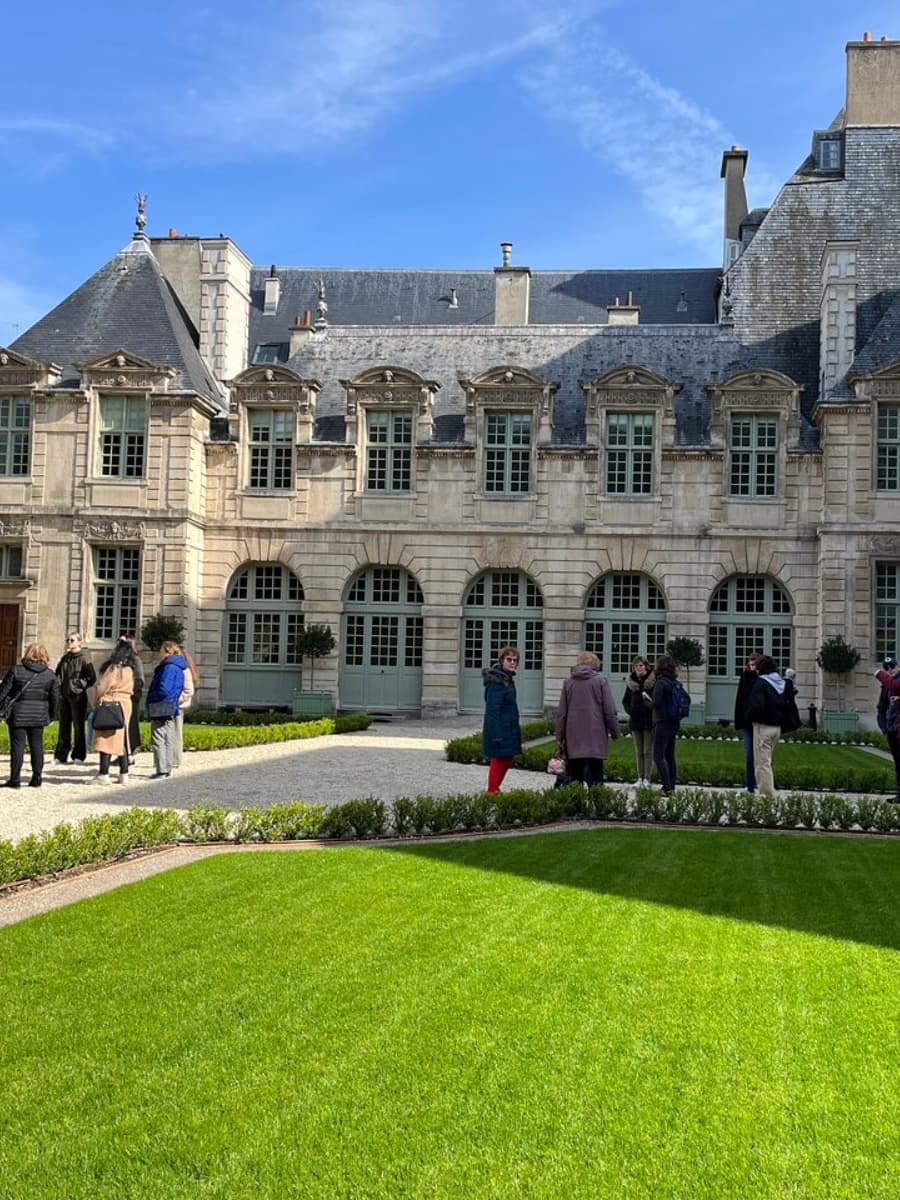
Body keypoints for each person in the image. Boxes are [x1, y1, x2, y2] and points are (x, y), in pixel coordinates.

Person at [556, 651, 621, 785]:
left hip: (573, 736)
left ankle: (576, 804)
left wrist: (559, 737)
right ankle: (598, 803)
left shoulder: (568, 683)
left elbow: (562, 713)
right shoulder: (600, 681)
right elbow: (609, 710)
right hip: (595, 735)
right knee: (596, 776)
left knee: (575, 776)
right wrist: (615, 732)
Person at [0, 643, 60, 788]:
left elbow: (3, 693)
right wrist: (52, 716)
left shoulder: (16, 671)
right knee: (37, 746)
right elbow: (55, 698)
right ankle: (37, 778)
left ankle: (15, 779)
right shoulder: (49, 674)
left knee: (17, 746)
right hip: (38, 714)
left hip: (18, 714)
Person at [745, 655, 794, 798]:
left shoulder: (761, 683)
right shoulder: (781, 682)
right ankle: (767, 791)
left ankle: (767, 795)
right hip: (777, 728)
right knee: (767, 761)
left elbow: (757, 706)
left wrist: (750, 718)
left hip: (763, 727)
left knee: (762, 763)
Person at [93, 641, 135, 785]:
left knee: (106, 737)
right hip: (125, 703)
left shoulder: (113, 668)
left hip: (110, 702)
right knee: (123, 737)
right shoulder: (129, 670)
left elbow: (102, 687)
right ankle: (124, 772)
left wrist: (96, 702)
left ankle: (103, 773)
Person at [482, 646, 522, 793]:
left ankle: (495, 788)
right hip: (500, 727)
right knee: (498, 759)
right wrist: (496, 733)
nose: (512, 662)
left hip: (509, 726)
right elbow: (492, 710)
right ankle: (492, 791)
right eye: (509, 659)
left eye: (515, 660)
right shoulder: (496, 682)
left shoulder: (508, 680)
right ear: (502, 660)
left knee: (507, 758)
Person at [53, 632, 96, 764]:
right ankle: (61, 755)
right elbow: (58, 673)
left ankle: (78, 755)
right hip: (64, 695)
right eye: (68, 640)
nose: (69, 642)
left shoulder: (84, 658)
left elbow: (91, 677)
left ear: (79, 642)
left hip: (77, 696)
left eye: (72, 640)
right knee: (63, 726)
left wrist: (79, 684)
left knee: (78, 727)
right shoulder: (66, 658)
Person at [146, 641, 188, 779]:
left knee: (158, 737)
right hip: (171, 705)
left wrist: (153, 697)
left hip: (162, 704)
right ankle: (167, 767)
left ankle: (162, 769)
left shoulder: (168, 667)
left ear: (168, 650)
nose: (160, 653)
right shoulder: (179, 666)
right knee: (169, 737)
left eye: (161, 650)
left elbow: (164, 688)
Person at [651, 654, 682, 794]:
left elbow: (656, 703)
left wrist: (648, 702)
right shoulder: (675, 682)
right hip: (674, 721)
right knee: (669, 755)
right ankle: (671, 786)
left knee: (658, 755)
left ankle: (666, 786)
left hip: (662, 720)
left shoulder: (660, 682)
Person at [623, 655, 655, 785]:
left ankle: (647, 777)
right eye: (636, 666)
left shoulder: (652, 681)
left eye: (641, 665)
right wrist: (631, 710)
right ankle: (640, 777)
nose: (638, 668)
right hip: (636, 720)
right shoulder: (631, 682)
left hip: (648, 720)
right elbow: (625, 700)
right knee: (638, 751)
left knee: (647, 751)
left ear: (645, 666)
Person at [733, 651, 762, 792]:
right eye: (751, 664)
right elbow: (740, 699)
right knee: (750, 754)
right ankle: (750, 784)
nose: (752, 666)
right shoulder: (745, 677)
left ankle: (762, 782)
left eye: (754, 664)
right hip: (747, 721)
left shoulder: (763, 678)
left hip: (761, 721)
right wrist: (738, 721)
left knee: (762, 755)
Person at [874, 657, 900, 802]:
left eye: (892, 667)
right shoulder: (886, 685)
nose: (890, 670)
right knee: (897, 762)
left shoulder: (894, 682)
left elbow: (894, 686)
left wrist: (880, 675)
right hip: (891, 728)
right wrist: (883, 727)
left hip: (898, 727)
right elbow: (881, 707)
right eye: (887, 668)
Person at [118, 633, 145, 763]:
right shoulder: (119, 660)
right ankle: (121, 754)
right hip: (121, 696)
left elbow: (139, 680)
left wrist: (132, 692)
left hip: (131, 696)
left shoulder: (135, 659)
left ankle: (131, 753)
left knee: (131, 725)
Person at [172, 645, 198, 770]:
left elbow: (188, 691)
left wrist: (174, 700)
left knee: (176, 733)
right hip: (173, 704)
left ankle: (176, 760)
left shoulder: (184, 670)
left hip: (177, 706)